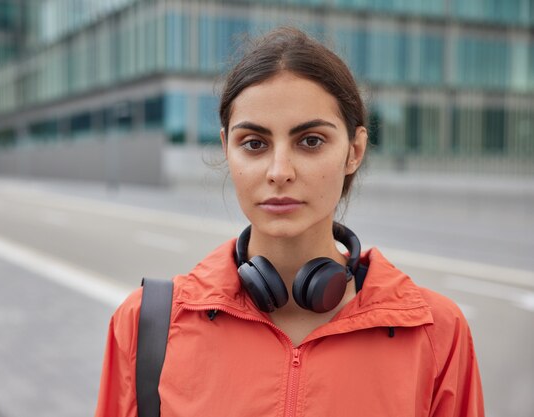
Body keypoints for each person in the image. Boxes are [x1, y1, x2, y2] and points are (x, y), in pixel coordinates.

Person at [94, 27, 484, 417]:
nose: (279, 171)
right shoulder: (147, 324)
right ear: (227, 150)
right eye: (254, 143)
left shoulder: (436, 333)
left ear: (354, 151)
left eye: (311, 141)